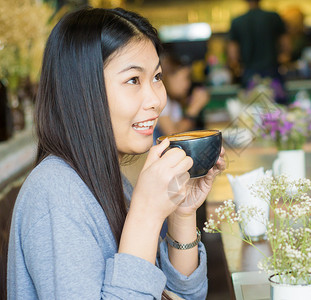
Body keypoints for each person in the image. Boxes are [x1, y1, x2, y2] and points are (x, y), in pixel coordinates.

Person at [7, 7, 225, 299]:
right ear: (83, 90)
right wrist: (146, 213)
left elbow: (183, 295)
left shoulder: (106, 178)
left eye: (157, 77)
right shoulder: (56, 195)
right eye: (134, 80)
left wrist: (182, 212)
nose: (156, 100)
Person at [227, 0, 290, 102]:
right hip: (272, 70)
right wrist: (285, 56)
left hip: (249, 72)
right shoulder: (273, 17)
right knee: (278, 107)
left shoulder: (237, 21)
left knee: (251, 110)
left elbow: (233, 50)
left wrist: (236, 66)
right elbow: (285, 43)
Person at [154, 53, 210, 141]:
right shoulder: (161, 101)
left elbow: (181, 129)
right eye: (185, 78)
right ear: (169, 77)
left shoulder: (174, 103)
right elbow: (172, 135)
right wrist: (194, 108)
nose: (188, 84)